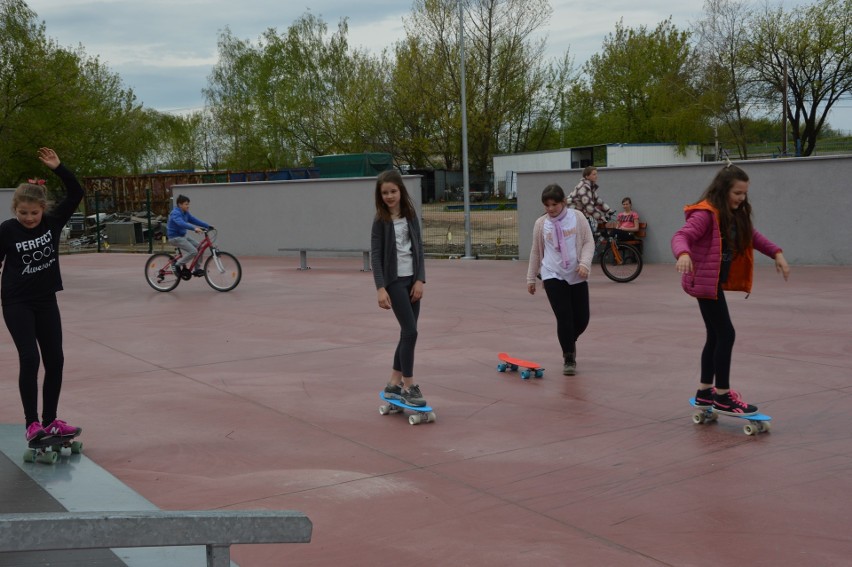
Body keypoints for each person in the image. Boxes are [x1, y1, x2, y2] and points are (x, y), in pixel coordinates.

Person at [671, 164, 790, 416]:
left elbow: (752, 236)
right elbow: (682, 236)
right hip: (705, 283)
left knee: (715, 335)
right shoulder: (706, 214)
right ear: (723, 190)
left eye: (745, 193)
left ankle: (705, 392)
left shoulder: (734, 214)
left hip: (713, 282)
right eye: (737, 193)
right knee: (726, 334)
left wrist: (776, 252)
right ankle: (723, 396)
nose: (742, 198)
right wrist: (682, 253)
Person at [0, 148, 84, 442]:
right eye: (23, 213)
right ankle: (32, 424)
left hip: (46, 300)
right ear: (15, 210)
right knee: (30, 358)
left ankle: (50, 422)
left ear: (42, 209)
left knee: (55, 360)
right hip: (16, 302)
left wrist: (59, 167)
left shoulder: (52, 221)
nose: (29, 218)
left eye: (34, 213)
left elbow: (76, 192)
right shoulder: (7, 231)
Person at [371, 170, 427, 407]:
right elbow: (376, 256)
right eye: (385, 193)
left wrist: (420, 279)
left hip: (411, 281)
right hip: (394, 282)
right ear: (380, 195)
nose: (389, 196)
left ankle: (393, 385)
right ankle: (409, 386)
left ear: (401, 191)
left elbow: (419, 248)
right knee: (410, 332)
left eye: (393, 191)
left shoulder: (410, 216)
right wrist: (380, 288)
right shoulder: (380, 221)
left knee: (408, 333)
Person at [527, 184, 595, 375]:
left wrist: (585, 264)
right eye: (546, 205)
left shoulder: (577, 218)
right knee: (564, 317)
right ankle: (569, 357)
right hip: (552, 274)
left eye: (554, 204)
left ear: (563, 202)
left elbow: (589, 242)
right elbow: (535, 250)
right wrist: (531, 278)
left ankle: (568, 340)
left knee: (582, 319)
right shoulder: (541, 224)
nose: (550, 209)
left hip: (576, 274)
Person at [167, 195, 211, 277]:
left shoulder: (185, 213)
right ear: (180, 205)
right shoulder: (175, 213)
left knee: (200, 247)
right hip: (175, 238)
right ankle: (176, 265)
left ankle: (197, 269)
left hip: (182, 236)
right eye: (186, 204)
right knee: (193, 251)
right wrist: (194, 228)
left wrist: (207, 226)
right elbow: (181, 223)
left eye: (188, 204)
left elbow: (194, 220)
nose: (188, 206)